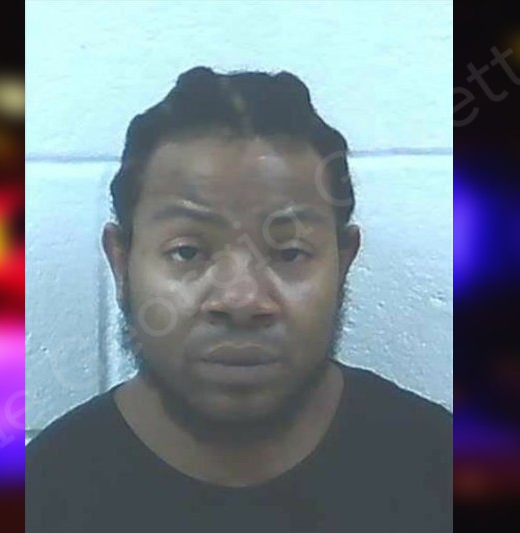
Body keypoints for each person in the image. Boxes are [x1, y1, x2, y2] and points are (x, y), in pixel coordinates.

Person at [26, 66, 452, 532]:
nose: (241, 299)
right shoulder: (41, 495)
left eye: (289, 252)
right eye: (187, 251)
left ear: (343, 262)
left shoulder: (441, 468)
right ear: (122, 263)